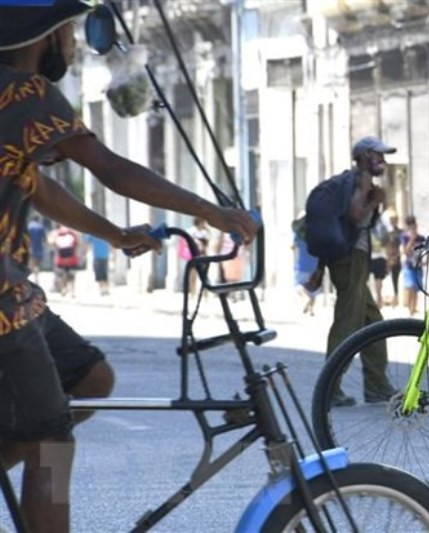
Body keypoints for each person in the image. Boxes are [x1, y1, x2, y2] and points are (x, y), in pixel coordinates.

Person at [0, 4, 258, 531]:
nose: (74, 41)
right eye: (69, 29)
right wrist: (210, 211)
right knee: (51, 440)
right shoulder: (27, 93)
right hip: (3, 306)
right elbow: (111, 168)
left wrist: (115, 235)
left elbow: (39, 187)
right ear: (45, 36)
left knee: (90, 376)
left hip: (16, 293)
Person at [325, 137, 396, 407]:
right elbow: (356, 216)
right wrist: (374, 200)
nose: (383, 161)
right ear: (365, 156)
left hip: (353, 259)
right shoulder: (361, 180)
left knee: (373, 324)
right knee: (347, 323)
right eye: (379, 155)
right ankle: (330, 388)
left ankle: (377, 385)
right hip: (351, 258)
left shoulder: (355, 180)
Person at [291, 213, 319, 315]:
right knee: (313, 287)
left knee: (299, 285)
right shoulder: (316, 232)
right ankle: (311, 309)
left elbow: (293, 246)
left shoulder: (298, 233)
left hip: (302, 264)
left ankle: (307, 299)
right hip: (315, 263)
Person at [401, 215, 424, 316]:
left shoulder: (422, 238)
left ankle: (413, 308)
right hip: (409, 265)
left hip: (418, 266)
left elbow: (424, 251)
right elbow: (405, 252)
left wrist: (424, 260)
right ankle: (410, 308)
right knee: (410, 286)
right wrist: (411, 240)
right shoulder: (405, 238)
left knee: (416, 288)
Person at [52, 223, 81, 298]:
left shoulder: (57, 232)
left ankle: (63, 289)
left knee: (62, 275)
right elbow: (77, 244)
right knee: (72, 276)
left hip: (61, 259)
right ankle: (72, 291)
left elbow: (53, 243)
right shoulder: (73, 233)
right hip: (72, 258)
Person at [384, 208, 402, 307]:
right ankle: (391, 299)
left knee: (397, 278)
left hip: (398, 257)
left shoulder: (399, 232)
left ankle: (396, 298)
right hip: (390, 257)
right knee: (390, 279)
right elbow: (387, 246)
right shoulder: (388, 233)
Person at [369, 217, 389, 307]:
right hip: (374, 255)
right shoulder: (382, 224)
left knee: (378, 278)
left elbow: (386, 240)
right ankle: (377, 298)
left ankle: (378, 298)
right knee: (378, 278)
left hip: (378, 255)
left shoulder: (381, 224)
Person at [27, 214, 47, 284]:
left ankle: (29, 279)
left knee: (30, 264)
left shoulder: (29, 226)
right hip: (38, 248)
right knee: (36, 264)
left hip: (29, 247)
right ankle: (36, 279)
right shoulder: (41, 227)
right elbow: (44, 239)